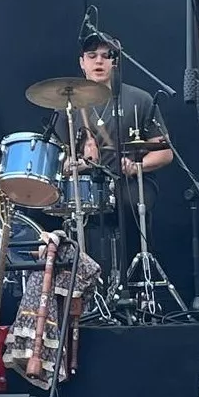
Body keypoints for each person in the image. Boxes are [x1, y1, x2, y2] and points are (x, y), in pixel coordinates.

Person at [49, 32, 173, 279]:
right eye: (92, 56)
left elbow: (165, 153)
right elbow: (55, 160)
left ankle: (132, 281)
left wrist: (137, 166)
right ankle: (81, 283)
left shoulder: (139, 99)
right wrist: (77, 164)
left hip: (129, 181)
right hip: (85, 185)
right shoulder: (67, 105)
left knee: (129, 202)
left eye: (106, 56)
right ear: (81, 62)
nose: (99, 62)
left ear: (115, 61)